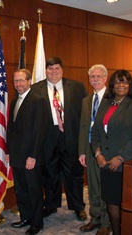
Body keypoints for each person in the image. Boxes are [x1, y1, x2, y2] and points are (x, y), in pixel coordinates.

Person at [91, 70, 132, 235]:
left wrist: (120, 157)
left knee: (127, 204)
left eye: (125, 81)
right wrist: (98, 154)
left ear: (130, 84)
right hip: (107, 163)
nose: (121, 85)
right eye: (117, 82)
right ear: (112, 85)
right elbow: (95, 131)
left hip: (129, 163)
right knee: (111, 201)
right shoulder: (106, 103)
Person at [31, 56, 88, 220]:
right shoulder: (36, 89)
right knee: (49, 174)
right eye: (50, 69)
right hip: (47, 138)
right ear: (46, 71)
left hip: (70, 137)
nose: (53, 72)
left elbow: (84, 114)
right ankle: (51, 204)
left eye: (57, 68)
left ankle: (78, 206)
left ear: (62, 70)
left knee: (74, 174)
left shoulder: (76, 87)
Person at [6, 69, 50, 235]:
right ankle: (26, 217)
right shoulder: (14, 100)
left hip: (31, 156)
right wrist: (9, 150)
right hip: (16, 155)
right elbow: (11, 128)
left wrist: (33, 156)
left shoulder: (38, 101)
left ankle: (37, 223)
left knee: (34, 189)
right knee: (21, 188)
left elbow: (40, 131)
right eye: (15, 81)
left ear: (29, 81)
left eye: (21, 80)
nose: (18, 84)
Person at [78, 64, 111, 235]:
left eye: (99, 76)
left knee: (105, 187)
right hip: (90, 150)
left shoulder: (112, 98)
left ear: (105, 78)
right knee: (92, 187)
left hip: (105, 152)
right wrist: (82, 151)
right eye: (92, 77)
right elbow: (84, 127)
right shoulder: (86, 100)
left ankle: (107, 222)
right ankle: (95, 218)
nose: (95, 80)